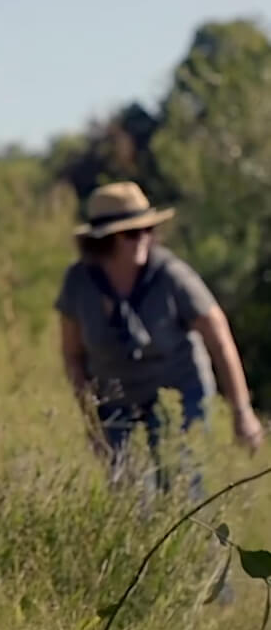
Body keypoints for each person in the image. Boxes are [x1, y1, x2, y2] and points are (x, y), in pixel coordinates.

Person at [55, 181, 264, 504]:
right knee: (129, 495)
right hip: (115, 401)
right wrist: (92, 422)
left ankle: (191, 536)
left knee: (181, 483)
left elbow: (218, 336)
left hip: (179, 394)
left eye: (147, 230)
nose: (143, 239)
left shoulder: (171, 275)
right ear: (104, 240)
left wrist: (242, 410)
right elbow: (72, 356)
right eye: (131, 233)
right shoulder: (78, 283)